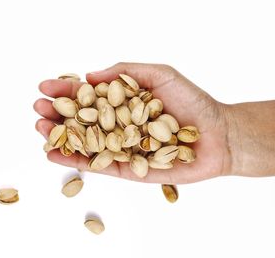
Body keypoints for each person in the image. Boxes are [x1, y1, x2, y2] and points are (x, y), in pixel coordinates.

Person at [33, 62, 275, 184]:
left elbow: (122, 122)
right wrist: (229, 134)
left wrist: (229, 135)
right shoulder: (121, 123)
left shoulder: (147, 123)